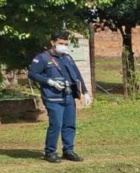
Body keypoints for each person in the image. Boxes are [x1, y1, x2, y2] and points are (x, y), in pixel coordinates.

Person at [27, 31, 92, 163]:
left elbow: (77, 75)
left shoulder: (67, 57)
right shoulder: (43, 58)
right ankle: (50, 152)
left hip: (68, 96)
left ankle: (68, 150)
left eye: (66, 44)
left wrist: (84, 92)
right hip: (53, 97)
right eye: (61, 43)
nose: (63, 46)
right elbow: (32, 74)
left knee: (69, 124)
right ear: (53, 42)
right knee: (56, 124)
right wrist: (50, 82)